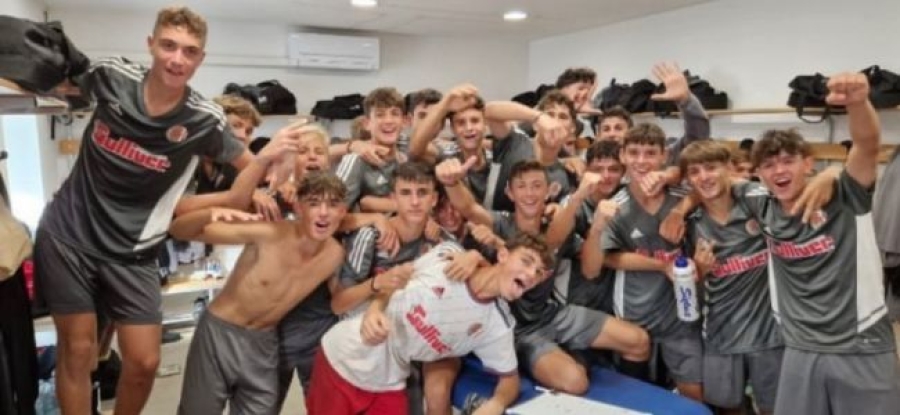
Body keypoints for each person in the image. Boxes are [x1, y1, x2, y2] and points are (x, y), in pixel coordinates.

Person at [31, 7, 302, 414]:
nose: (177, 59)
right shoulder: (113, 76)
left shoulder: (204, 119)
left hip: (134, 249)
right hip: (70, 234)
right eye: (169, 46)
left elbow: (250, 167)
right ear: (151, 45)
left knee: (144, 361)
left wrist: (277, 163)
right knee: (79, 350)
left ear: (200, 59)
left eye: (189, 51)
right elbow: (60, 83)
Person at [732, 74, 899, 415]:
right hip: (799, 347)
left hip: (860, 343)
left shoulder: (845, 195)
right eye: (768, 165)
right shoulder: (760, 203)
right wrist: (678, 203)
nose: (779, 170)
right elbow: (712, 178)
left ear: (808, 163)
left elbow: (867, 145)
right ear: (759, 174)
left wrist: (857, 103)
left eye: (788, 160)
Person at [437, 158, 650, 394]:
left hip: (549, 314)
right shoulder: (499, 223)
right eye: (522, 186)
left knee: (638, 341)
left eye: (537, 186)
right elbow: (469, 208)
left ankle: (638, 401)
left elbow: (590, 269)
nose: (530, 193)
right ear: (509, 192)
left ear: (549, 191)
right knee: (575, 381)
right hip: (516, 329)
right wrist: (451, 182)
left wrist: (597, 228)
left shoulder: (559, 223)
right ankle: (556, 360)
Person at [306, 233, 555, 415]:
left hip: (389, 380)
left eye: (539, 273)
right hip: (344, 356)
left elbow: (510, 380)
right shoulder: (448, 255)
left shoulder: (498, 325)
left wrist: (496, 404)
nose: (531, 274)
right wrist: (374, 310)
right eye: (526, 261)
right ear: (502, 255)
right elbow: (396, 279)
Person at [170, 172, 348, 414]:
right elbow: (179, 230)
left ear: (343, 211)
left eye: (333, 205)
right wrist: (209, 213)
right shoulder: (268, 233)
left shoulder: (335, 255)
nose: (324, 213)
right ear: (299, 207)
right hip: (220, 331)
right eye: (314, 203)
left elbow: (341, 298)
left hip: (264, 341)